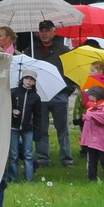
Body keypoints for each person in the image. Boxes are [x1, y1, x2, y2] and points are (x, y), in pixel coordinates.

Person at [30, 21, 72, 166]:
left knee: (63, 129)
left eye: (47, 30)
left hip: (59, 94)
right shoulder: (31, 50)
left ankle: (67, 158)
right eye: (41, 30)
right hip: (39, 95)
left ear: (54, 32)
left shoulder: (64, 50)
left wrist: (67, 90)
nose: (44, 33)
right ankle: (43, 158)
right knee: (41, 128)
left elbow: (71, 73)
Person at [80, 83, 104, 181]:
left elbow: (102, 120)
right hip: (92, 138)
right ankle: (92, 177)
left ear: (96, 96)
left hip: (100, 138)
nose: (88, 96)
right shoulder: (93, 106)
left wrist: (90, 116)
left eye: (90, 95)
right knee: (92, 159)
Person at [9, 72, 42, 184]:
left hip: (28, 129)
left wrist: (37, 132)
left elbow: (38, 116)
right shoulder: (14, 92)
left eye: (31, 79)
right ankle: (13, 178)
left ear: (34, 82)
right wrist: (12, 111)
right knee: (14, 155)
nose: (28, 81)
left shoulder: (35, 97)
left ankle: (29, 179)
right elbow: (6, 106)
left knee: (28, 154)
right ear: (22, 79)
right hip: (13, 127)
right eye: (26, 78)